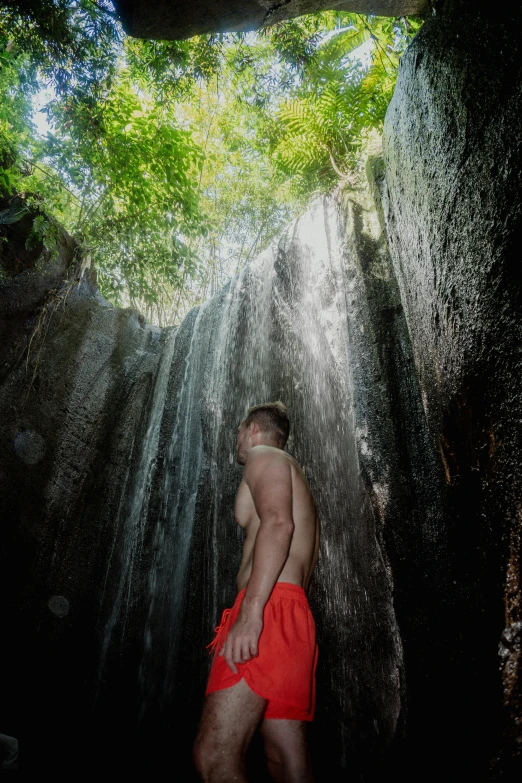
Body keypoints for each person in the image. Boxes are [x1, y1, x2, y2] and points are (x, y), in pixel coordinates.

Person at [194, 401, 320, 783]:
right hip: (292, 616)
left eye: (238, 431)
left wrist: (250, 614)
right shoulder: (294, 477)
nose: (236, 440)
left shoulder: (264, 455)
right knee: (284, 760)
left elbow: (278, 524)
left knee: (214, 756)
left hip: (266, 609)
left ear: (252, 430)